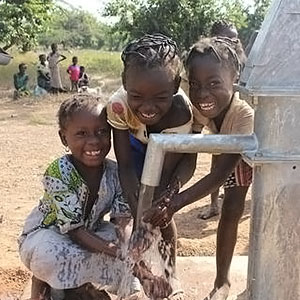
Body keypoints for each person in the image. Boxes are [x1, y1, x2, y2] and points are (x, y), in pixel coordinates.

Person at [144, 36, 253, 300]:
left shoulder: (244, 114)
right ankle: (221, 283)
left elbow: (219, 174)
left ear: (234, 77)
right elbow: (190, 152)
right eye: (195, 84)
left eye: (214, 83)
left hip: (249, 152)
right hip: (225, 143)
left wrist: (175, 203)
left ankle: (222, 282)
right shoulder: (203, 106)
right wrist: (172, 190)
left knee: (232, 207)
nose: (203, 93)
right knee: (228, 202)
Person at [18, 95, 142, 300]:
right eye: (82, 133)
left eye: (102, 132)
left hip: (91, 233)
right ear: (64, 138)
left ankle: (85, 288)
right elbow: (75, 231)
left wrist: (129, 250)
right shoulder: (59, 172)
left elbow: (123, 220)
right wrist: (119, 253)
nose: (93, 141)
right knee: (50, 256)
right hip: (49, 234)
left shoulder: (115, 173)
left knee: (134, 246)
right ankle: (43, 286)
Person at [106, 33, 196, 275]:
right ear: (125, 83)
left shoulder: (180, 113)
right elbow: (124, 166)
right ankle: (136, 271)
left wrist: (160, 205)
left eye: (160, 97)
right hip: (135, 145)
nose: (147, 107)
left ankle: (170, 273)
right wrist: (139, 211)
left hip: (170, 152)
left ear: (176, 86)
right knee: (132, 211)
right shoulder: (118, 106)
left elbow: (167, 173)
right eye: (137, 96)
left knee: (162, 214)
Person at [198, 20, 239, 220]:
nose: (231, 43)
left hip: (237, 123)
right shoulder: (209, 64)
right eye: (225, 39)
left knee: (233, 168)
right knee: (217, 156)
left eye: (234, 40)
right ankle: (214, 203)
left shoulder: (239, 63)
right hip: (217, 120)